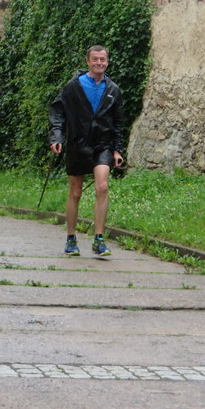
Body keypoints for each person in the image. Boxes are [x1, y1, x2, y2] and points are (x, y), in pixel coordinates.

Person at [49, 45, 124, 257]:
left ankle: (99, 239)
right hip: (78, 143)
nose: (99, 63)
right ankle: (71, 238)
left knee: (102, 186)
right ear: (88, 62)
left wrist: (117, 150)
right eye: (95, 59)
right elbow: (57, 112)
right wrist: (56, 137)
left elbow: (118, 122)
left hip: (103, 145)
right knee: (75, 192)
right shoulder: (73, 86)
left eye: (103, 59)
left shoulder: (113, 90)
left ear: (107, 62)